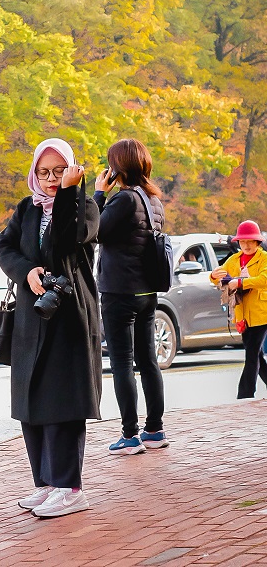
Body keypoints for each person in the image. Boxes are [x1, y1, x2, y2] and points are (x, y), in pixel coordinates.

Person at [0, 137, 101, 519]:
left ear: (73, 170)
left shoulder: (84, 207)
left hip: (69, 317)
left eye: (60, 171)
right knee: (32, 400)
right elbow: (5, 249)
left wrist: (69, 194)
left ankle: (69, 487)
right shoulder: (26, 209)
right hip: (31, 316)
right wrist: (26, 271)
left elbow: (64, 243)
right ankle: (45, 483)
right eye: (44, 172)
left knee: (62, 403)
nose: (52, 178)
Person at [94, 138, 168, 455]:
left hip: (119, 291)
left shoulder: (123, 200)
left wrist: (98, 193)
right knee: (148, 360)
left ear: (117, 168)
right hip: (147, 291)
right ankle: (154, 430)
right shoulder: (154, 201)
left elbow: (93, 230)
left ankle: (129, 435)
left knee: (122, 362)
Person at [209, 220, 267, 399]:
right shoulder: (234, 260)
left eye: (250, 241)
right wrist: (213, 276)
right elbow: (219, 277)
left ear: (257, 242)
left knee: (251, 354)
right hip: (242, 314)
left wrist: (241, 282)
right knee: (256, 354)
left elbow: (264, 279)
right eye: (243, 242)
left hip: (261, 312)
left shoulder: (264, 258)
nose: (247, 245)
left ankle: (245, 394)